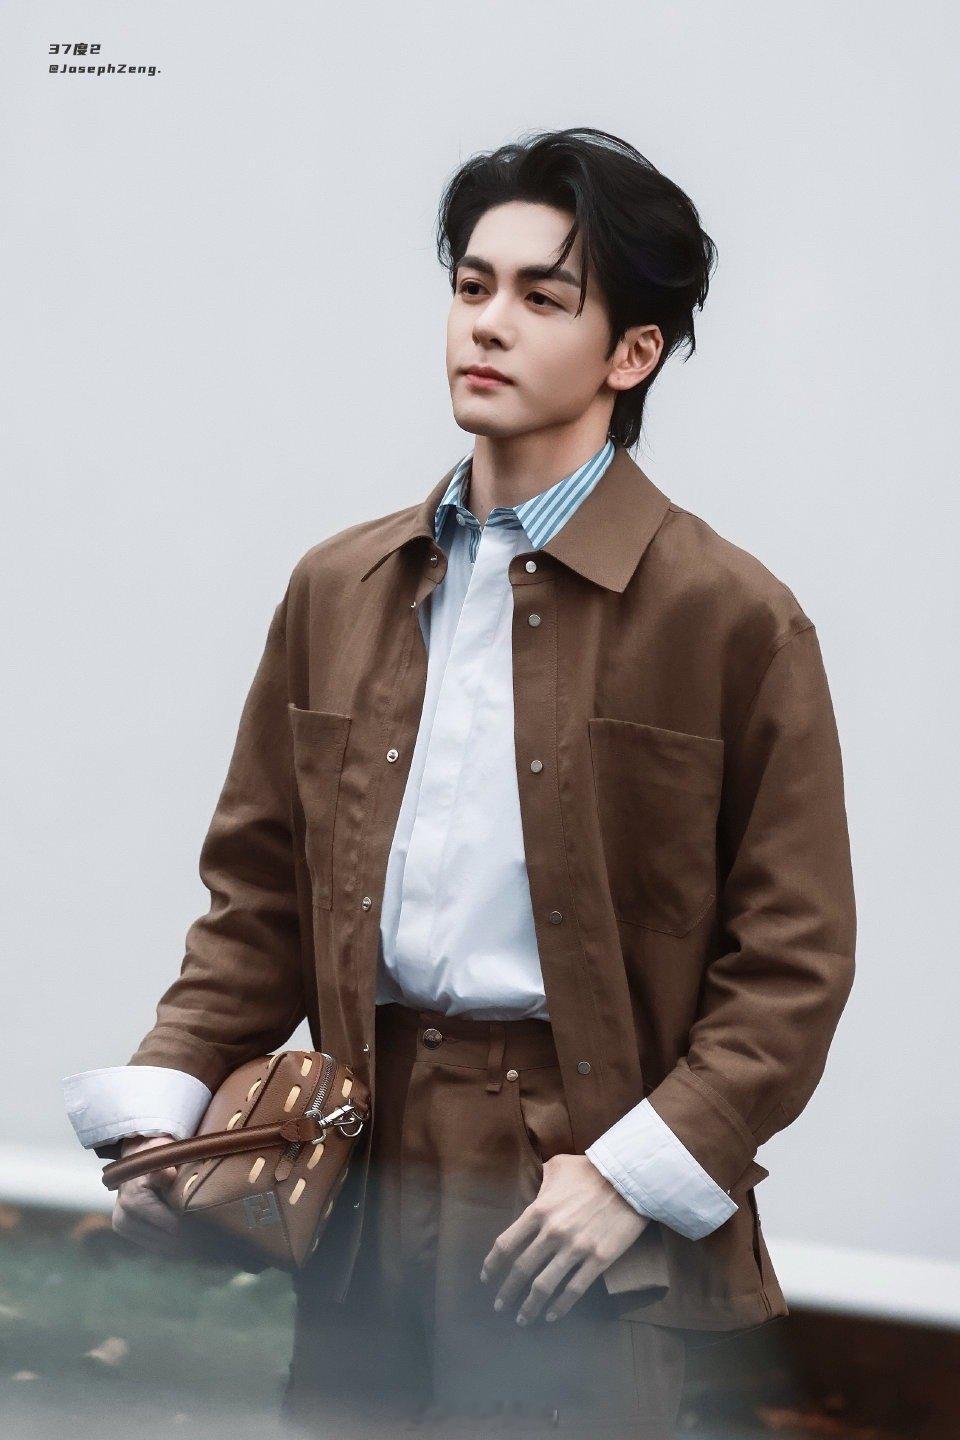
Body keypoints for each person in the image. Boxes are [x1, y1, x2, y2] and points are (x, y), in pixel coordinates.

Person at [62, 126, 857, 1438]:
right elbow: (259, 904)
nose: (487, 322)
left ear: (632, 353)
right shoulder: (341, 589)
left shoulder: (731, 620)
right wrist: (170, 1107)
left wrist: (635, 1176)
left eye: (544, 297)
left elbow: (794, 962)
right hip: (358, 1176)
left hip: (571, 1193)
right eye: (472, 285)